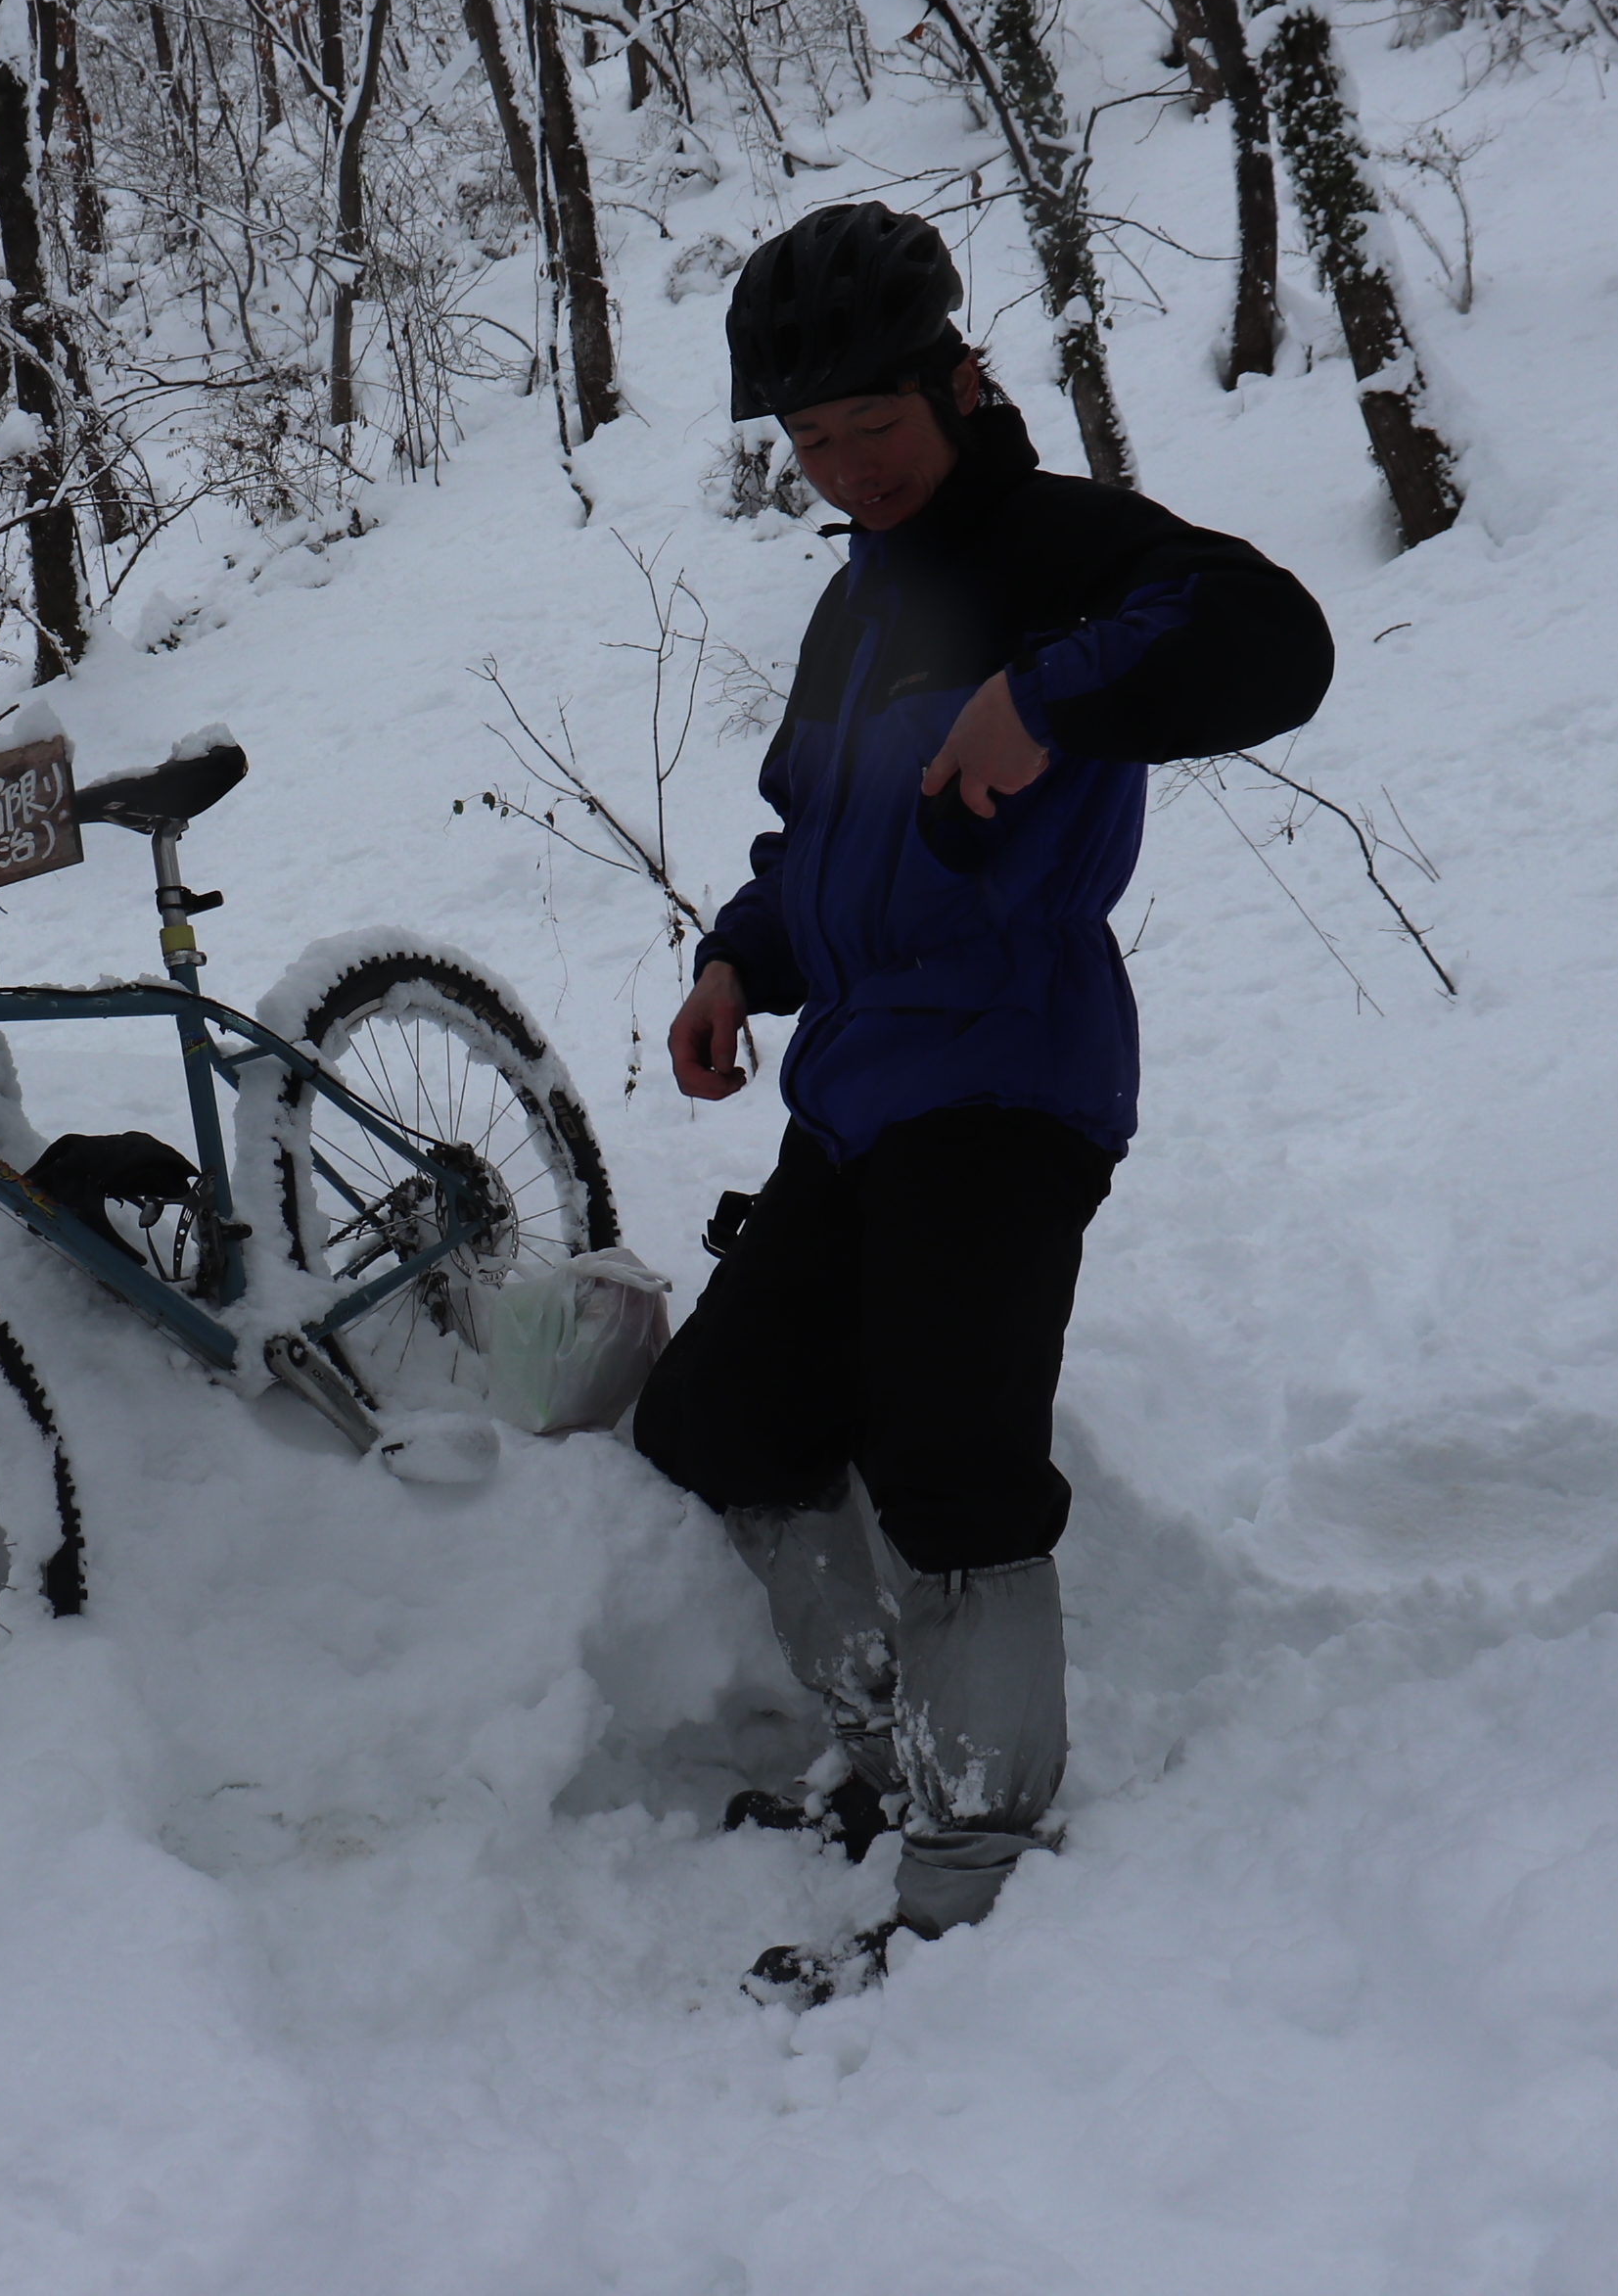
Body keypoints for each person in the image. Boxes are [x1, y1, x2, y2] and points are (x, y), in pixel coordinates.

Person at [640, 202, 1334, 2001]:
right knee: (723, 1418)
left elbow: (1274, 639)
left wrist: (1047, 693)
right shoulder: (850, 608)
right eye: (811, 443)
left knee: (949, 1460)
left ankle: (977, 1854)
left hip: (1012, 1076)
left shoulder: (1060, 549)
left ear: (959, 379)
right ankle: (896, 1752)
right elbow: (816, 841)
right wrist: (736, 963)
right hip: (860, 1083)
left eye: (875, 425)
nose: (848, 468)